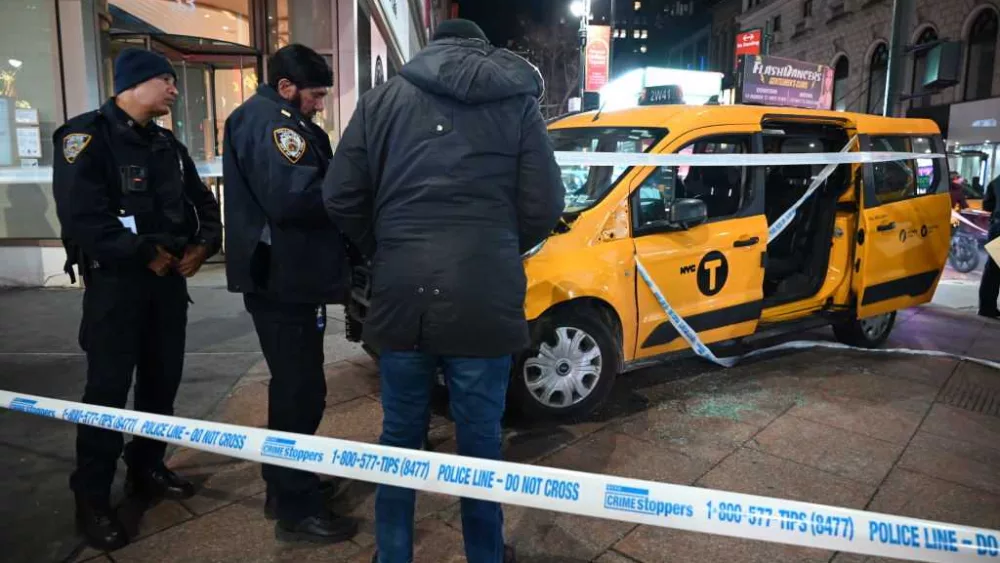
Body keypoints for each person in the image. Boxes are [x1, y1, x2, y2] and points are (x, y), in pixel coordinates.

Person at [323, 19, 565, 563]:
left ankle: (393, 554)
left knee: (400, 438)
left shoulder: (380, 101)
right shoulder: (517, 103)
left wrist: (384, 245)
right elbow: (545, 203)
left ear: (429, 48)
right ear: (481, 49)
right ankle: (484, 555)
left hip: (401, 293)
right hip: (484, 293)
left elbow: (340, 195)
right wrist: (501, 245)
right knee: (479, 439)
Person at [52, 47, 223, 550]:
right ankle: (91, 498)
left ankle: (147, 467)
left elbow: (203, 203)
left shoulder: (167, 144)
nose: (173, 89)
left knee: (160, 384)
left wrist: (203, 244)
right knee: (106, 395)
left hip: (167, 283)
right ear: (133, 84)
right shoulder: (85, 137)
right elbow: (83, 216)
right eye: (165, 80)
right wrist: (140, 253)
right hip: (117, 287)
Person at [221, 43, 358, 544]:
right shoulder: (271, 123)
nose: (318, 104)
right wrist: (349, 189)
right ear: (286, 87)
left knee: (299, 389)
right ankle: (294, 508)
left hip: (291, 278)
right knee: (299, 391)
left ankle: (287, 482)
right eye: (315, 95)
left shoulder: (277, 120)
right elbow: (294, 195)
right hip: (284, 280)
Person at [978, 174, 1000, 318]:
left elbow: (987, 205)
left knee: (993, 270)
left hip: (998, 227)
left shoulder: (996, 181)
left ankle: (987, 308)